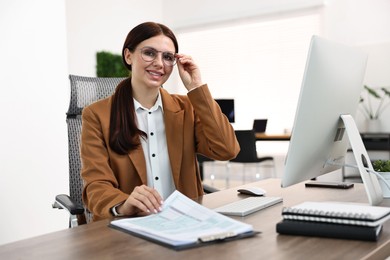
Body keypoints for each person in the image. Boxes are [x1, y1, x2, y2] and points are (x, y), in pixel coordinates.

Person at [81, 21, 239, 221]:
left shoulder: (186, 107)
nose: (159, 63)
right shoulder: (96, 115)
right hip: (130, 228)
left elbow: (227, 149)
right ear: (128, 56)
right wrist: (124, 204)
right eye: (149, 53)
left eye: (167, 57)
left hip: (184, 222)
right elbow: (96, 185)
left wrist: (196, 88)